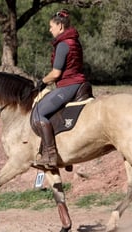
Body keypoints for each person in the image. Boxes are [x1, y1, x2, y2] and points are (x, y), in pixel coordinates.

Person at [32, 9, 87, 169]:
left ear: (60, 26)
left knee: (38, 113)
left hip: (68, 85)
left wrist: (42, 82)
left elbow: (56, 74)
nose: (50, 30)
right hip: (81, 83)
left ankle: (50, 154)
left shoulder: (63, 44)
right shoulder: (74, 41)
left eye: (51, 26)